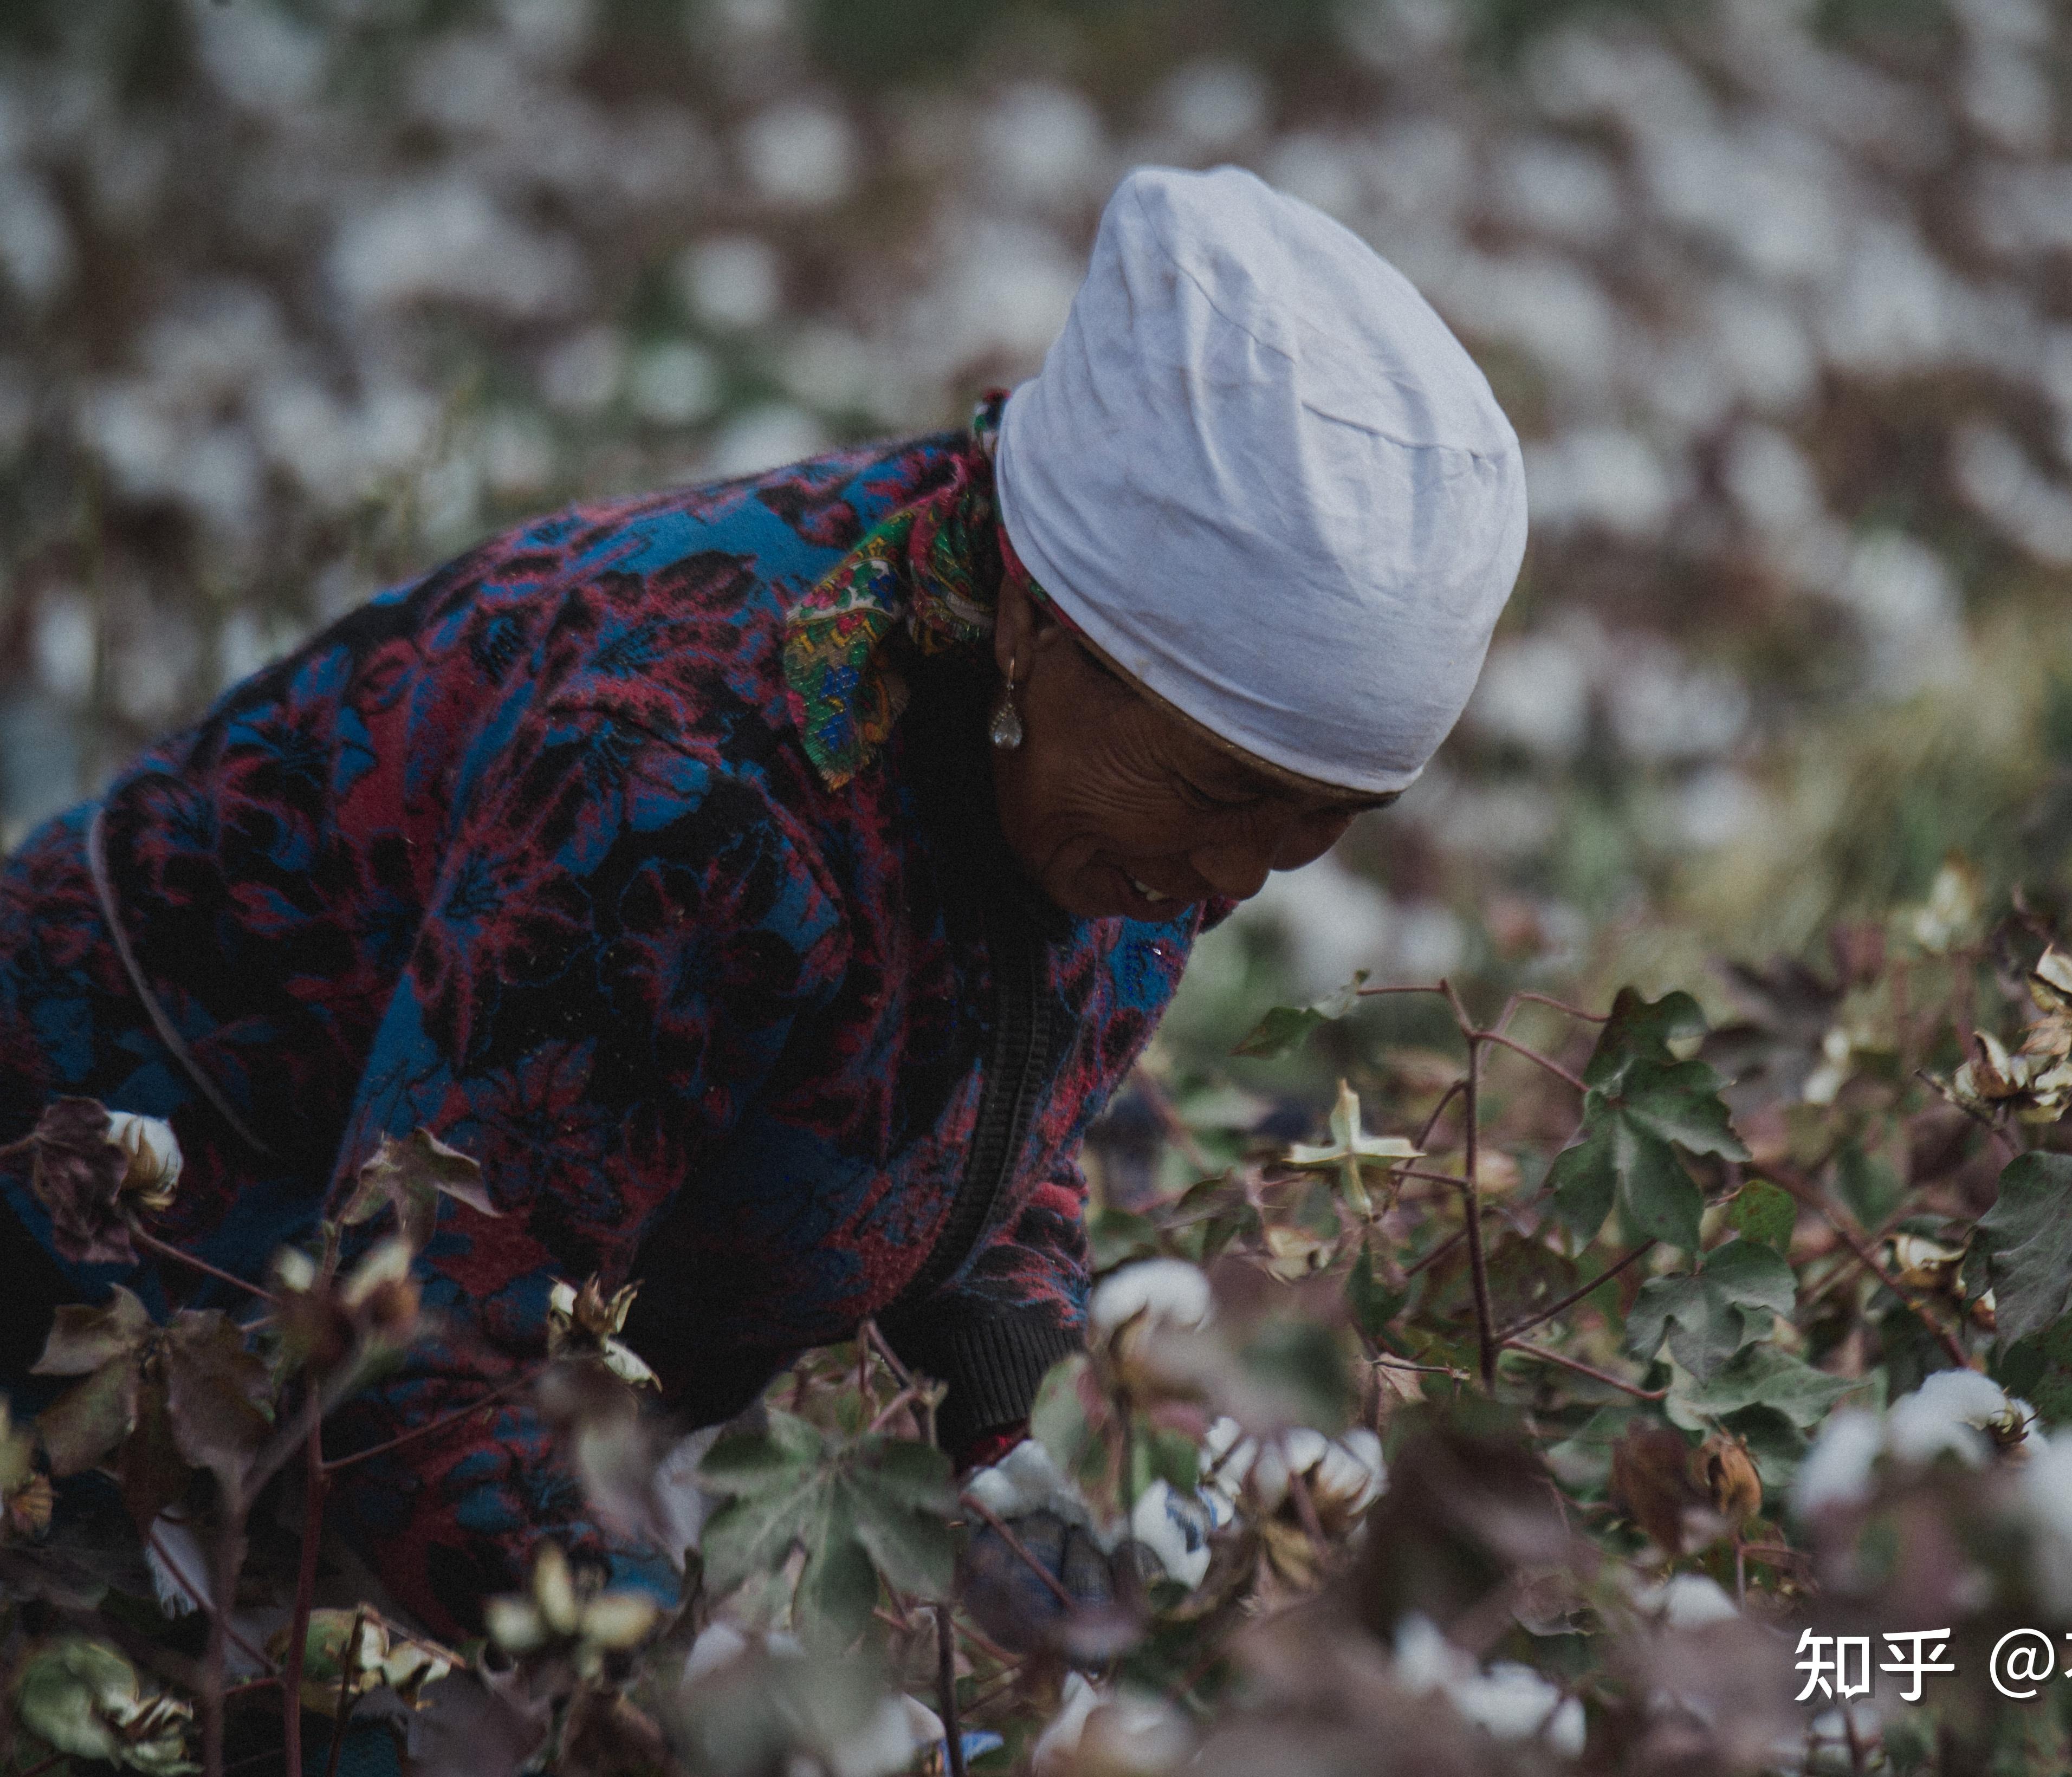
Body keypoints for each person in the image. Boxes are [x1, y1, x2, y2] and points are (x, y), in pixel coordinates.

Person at [0, 164, 1527, 1636]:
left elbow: (990, 1082)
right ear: (1040, 625)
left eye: (1321, 820)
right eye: (1214, 794)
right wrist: (680, 1697)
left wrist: (1027, 1402)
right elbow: (406, 1366)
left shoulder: (1086, 759)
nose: (1235, 876)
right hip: (111, 1310)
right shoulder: (684, 793)